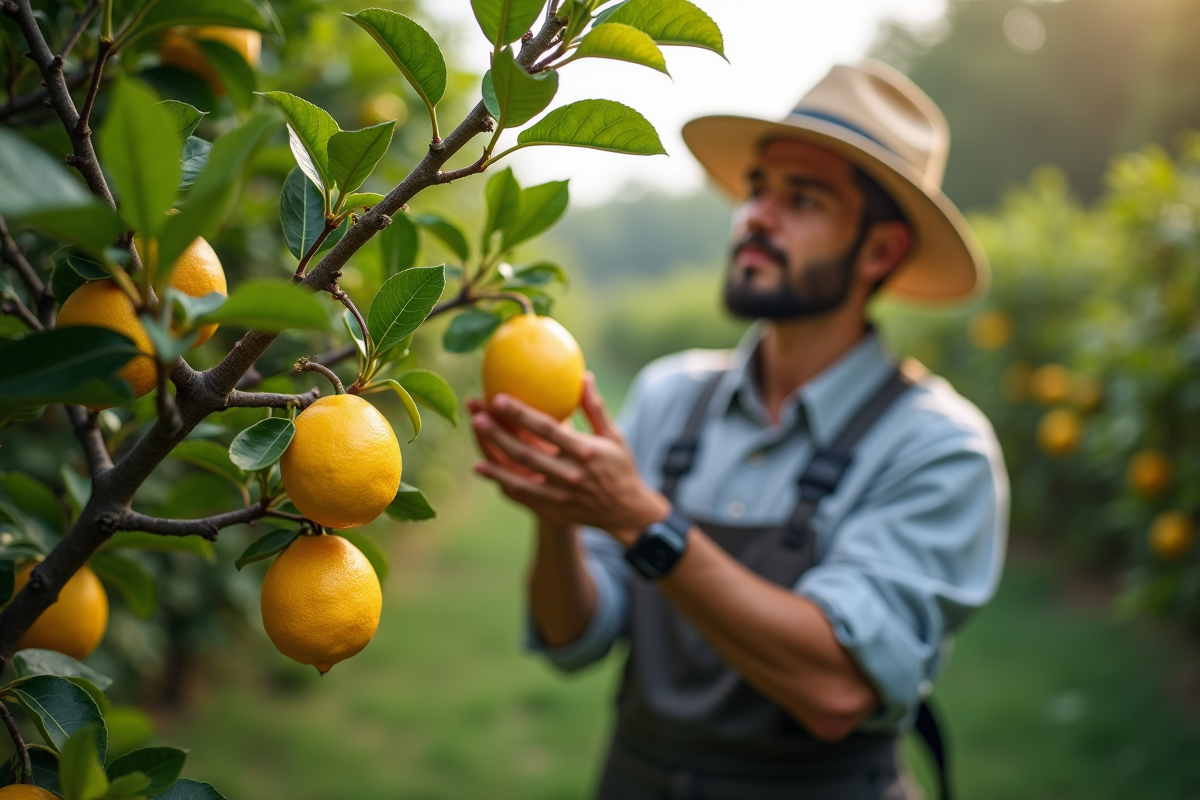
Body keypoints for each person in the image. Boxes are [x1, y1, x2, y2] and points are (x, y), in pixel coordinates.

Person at [469, 59, 1009, 800]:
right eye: (758, 188)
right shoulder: (669, 395)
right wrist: (558, 516)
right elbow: (573, 639)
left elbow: (836, 690)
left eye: (803, 198)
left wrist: (642, 520)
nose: (757, 214)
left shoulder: (937, 446)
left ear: (880, 251)